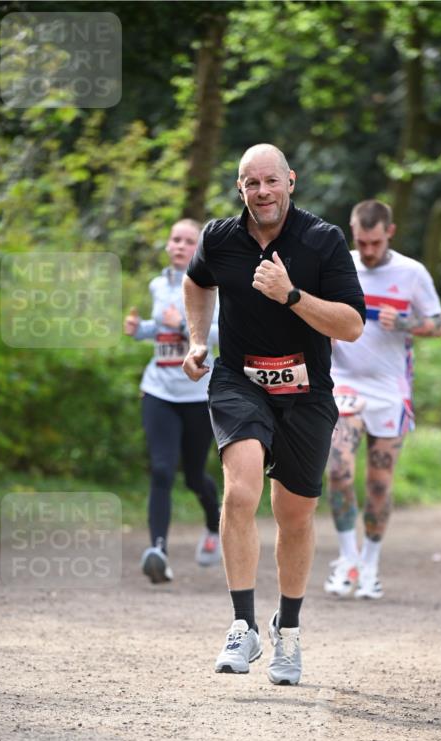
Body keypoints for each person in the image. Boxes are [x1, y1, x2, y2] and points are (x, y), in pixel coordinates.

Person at [182, 144, 365, 685]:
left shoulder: (322, 240)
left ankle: (288, 631)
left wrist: (291, 296)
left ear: (290, 180)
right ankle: (244, 625)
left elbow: (352, 324)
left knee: (295, 515)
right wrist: (197, 340)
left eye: (270, 181)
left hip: (307, 393)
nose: (262, 192)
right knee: (240, 491)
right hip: (240, 381)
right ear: (240, 189)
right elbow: (197, 282)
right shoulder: (219, 238)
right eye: (250, 184)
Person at [324, 200, 441, 599]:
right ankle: (347, 561)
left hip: (390, 390)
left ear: (389, 233)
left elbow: (439, 326)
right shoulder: (339, 265)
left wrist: (408, 323)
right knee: (338, 470)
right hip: (344, 383)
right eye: (362, 241)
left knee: (379, 484)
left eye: (375, 242)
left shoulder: (412, 273)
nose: (369, 250)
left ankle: (371, 564)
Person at [124, 218, 222, 583]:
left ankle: (214, 525)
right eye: (175, 239)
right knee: (162, 469)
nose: (180, 246)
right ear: (167, 246)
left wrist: (181, 324)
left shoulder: (215, 284)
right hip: (159, 389)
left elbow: (219, 333)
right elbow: (157, 327)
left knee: (195, 475)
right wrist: (140, 331)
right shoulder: (158, 283)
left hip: (197, 393)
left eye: (188, 241)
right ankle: (158, 553)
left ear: (199, 248)